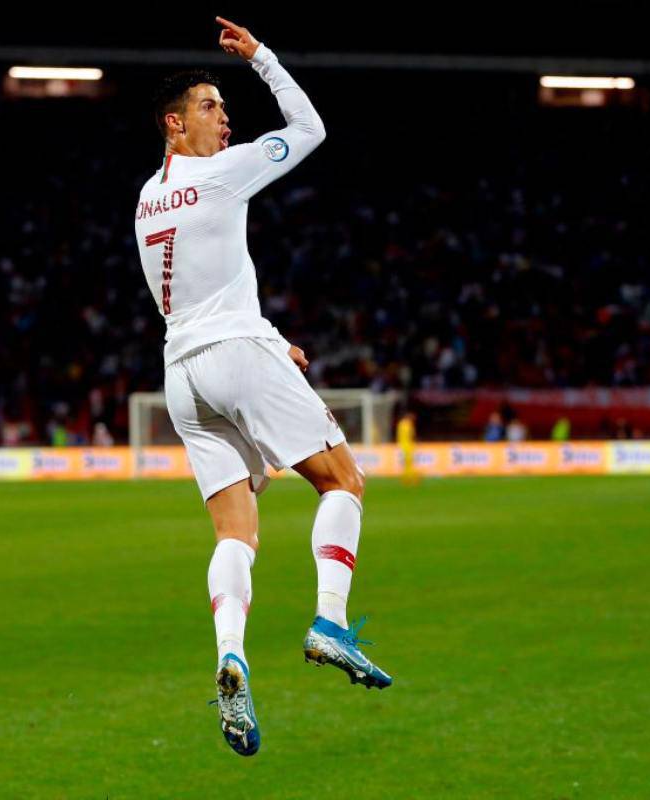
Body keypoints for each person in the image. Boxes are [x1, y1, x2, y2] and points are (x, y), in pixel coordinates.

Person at [134, 16, 391, 758]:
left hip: (182, 373)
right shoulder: (222, 170)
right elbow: (310, 127)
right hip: (234, 354)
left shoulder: (148, 199)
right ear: (174, 124)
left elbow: (194, 290)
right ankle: (329, 623)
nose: (227, 116)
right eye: (212, 107)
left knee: (236, 531)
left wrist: (273, 340)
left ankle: (231, 655)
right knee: (343, 479)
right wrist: (262, 60)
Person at [396, 411, 419, 485]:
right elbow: (412, 435)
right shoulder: (408, 425)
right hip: (408, 446)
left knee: (406, 463)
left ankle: (407, 478)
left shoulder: (400, 424)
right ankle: (409, 478)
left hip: (402, 445)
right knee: (409, 463)